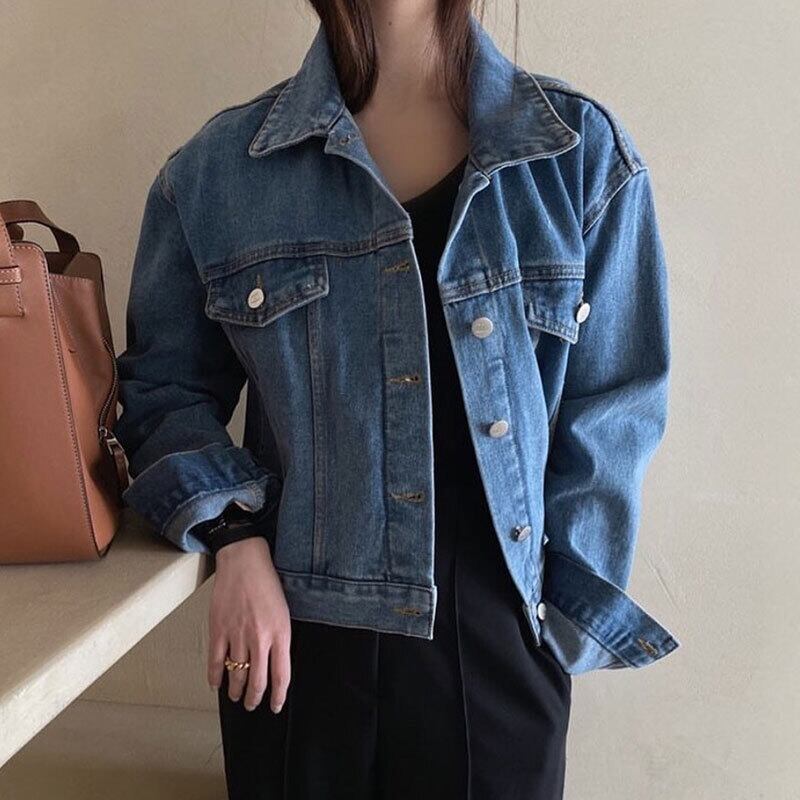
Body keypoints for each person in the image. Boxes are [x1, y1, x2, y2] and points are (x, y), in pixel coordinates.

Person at [116, 2, 679, 797]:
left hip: (499, 649)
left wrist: (557, 610)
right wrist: (233, 539)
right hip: (293, 645)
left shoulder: (576, 157)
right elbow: (160, 391)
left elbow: (615, 406)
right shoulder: (220, 172)